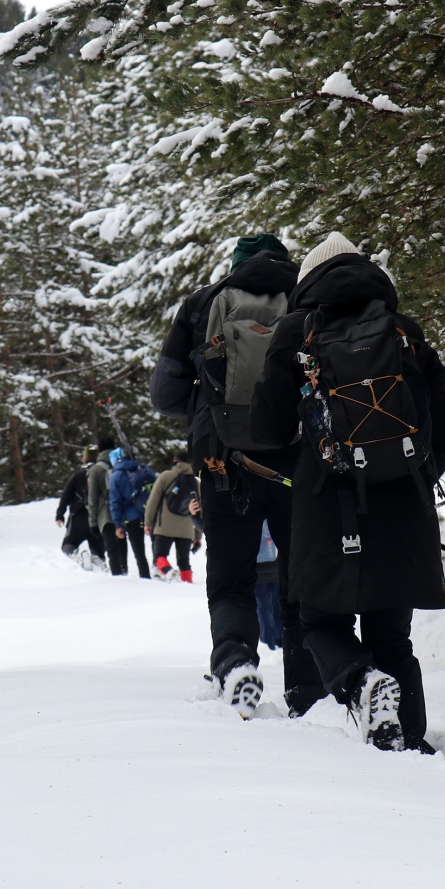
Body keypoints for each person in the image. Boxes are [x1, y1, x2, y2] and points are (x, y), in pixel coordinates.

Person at [249, 232, 445, 751]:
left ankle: (361, 684)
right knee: (392, 635)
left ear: (308, 284)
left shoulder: (296, 333)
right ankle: (409, 744)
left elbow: (267, 431)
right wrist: (411, 478)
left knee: (317, 617)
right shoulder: (403, 331)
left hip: (327, 502)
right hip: (402, 505)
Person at [151, 233, 325, 718]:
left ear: (235, 266)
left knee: (231, 578)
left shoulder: (202, 304)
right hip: (298, 462)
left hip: (223, 461)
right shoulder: (310, 298)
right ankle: (308, 691)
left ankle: (234, 663)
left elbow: (164, 396)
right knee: (300, 577)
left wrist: (210, 405)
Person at [145, 451, 202, 583]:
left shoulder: (166, 476)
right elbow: (201, 510)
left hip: (165, 526)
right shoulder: (196, 482)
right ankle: (187, 583)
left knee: (159, 556)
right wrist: (197, 535)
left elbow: (153, 501)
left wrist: (148, 523)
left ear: (175, 460)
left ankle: (170, 573)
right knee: (184, 562)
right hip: (186, 528)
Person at [108, 446, 157, 578]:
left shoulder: (116, 475)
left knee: (139, 553)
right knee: (156, 548)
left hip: (131, 517)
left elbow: (114, 501)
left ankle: (145, 577)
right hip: (149, 514)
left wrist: (118, 524)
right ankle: (160, 571)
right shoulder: (145, 469)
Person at [55, 446, 106, 566]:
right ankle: (99, 563)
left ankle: (77, 554)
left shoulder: (77, 475)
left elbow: (66, 495)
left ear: (85, 458)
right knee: (98, 549)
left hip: (79, 516)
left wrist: (60, 514)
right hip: (98, 518)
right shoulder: (104, 474)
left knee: (68, 544)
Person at [85, 436, 121, 575]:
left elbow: (92, 498)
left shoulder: (95, 470)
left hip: (105, 515)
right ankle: (128, 576)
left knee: (112, 551)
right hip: (123, 512)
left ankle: (118, 578)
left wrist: (93, 522)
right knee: (123, 547)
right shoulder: (120, 464)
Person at [254, 521, 281, 650]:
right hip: (275, 565)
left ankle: (267, 639)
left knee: (263, 605)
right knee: (277, 603)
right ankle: (279, 637)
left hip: (256, 568)